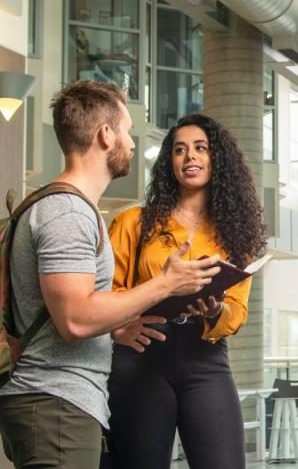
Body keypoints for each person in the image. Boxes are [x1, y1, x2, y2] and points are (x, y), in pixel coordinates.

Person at [0, 82, 219, 469]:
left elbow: (68, 312)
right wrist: (165, 284)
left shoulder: (62, 207)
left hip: (56, 404)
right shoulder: (68, 213)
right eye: (127, 130)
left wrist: (116, 325)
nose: (132, 144)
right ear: (105, 135)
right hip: (56, 406)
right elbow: (75, 319)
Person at [106, 113, 267, 469]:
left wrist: (214, 312)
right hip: (142, 356)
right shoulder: (133, 222)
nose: (189, 157)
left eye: (200, 148)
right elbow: (105, 294)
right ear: (169, 163)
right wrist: (120, 328)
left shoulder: (236, 236)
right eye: (179, 150)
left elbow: (236, 312)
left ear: (217, 159)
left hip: (206, 359)